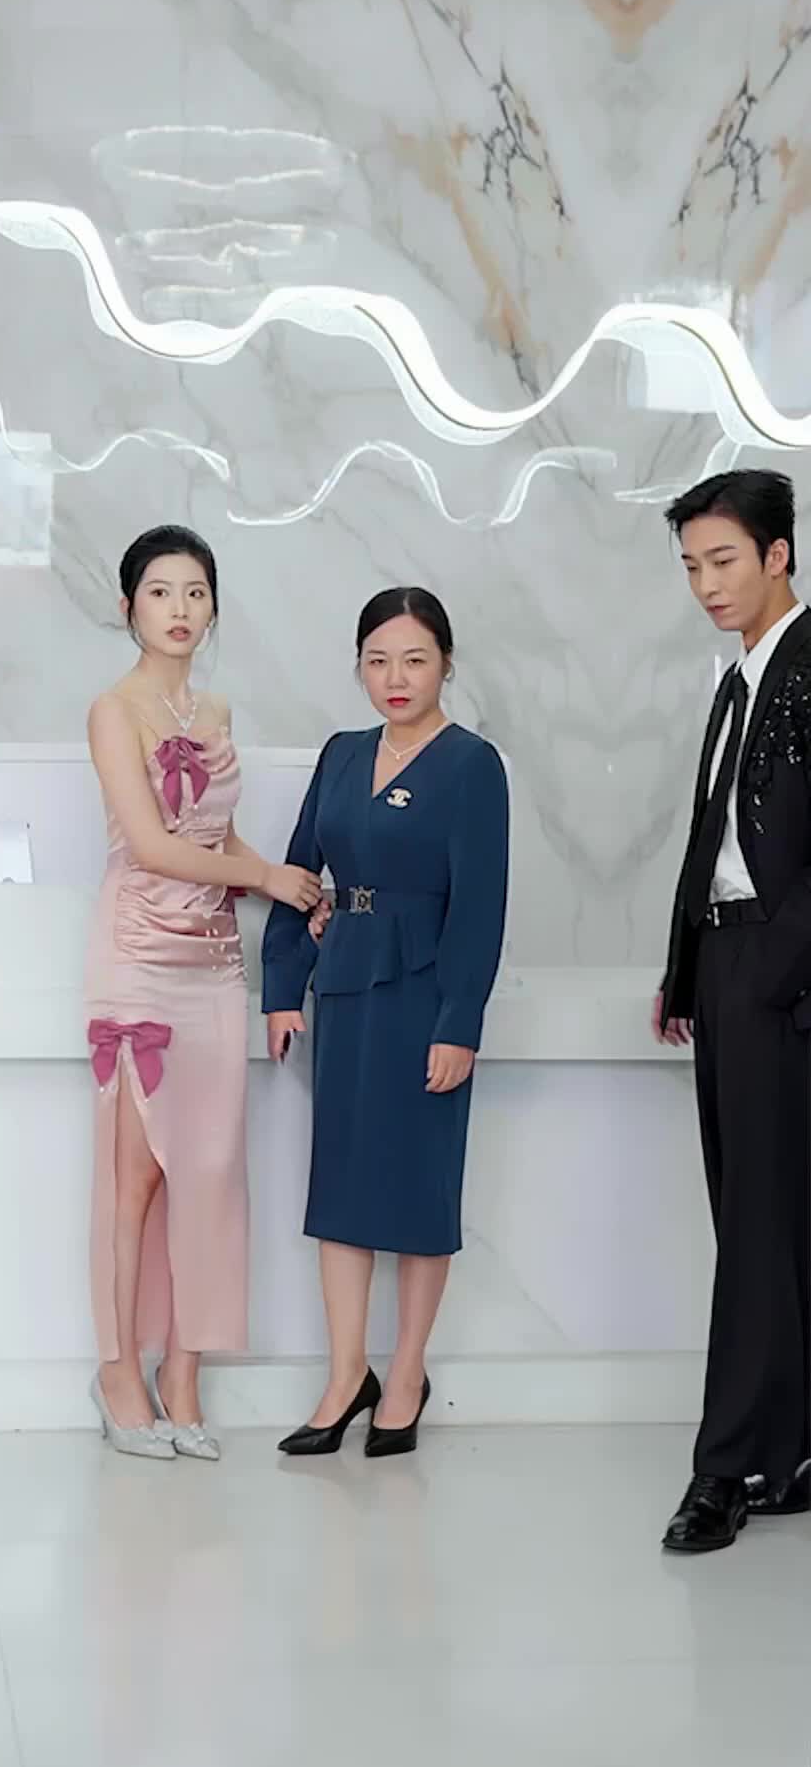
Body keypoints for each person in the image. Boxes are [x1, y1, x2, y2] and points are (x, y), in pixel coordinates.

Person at [85, 525, 322, 1460]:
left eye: (194, 593)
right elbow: (150, 845)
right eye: (159, 592)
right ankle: (118, 1373)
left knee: (211, 1171)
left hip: (216, 959)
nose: (178, 609)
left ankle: (183, 1374)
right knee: (137, 1175)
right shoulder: (113, 710)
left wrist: (281, 880)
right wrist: (263, 878)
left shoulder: (215, 711)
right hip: (138, 958)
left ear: (214, 607)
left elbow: (217, 842)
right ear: (128, 607)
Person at [262, 587, 509, 1458]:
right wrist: (283, 986)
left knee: (417, 1190)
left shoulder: (473, 765)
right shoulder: (340, 754)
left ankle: (405, 1375)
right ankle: (345, 1377)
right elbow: (301, 873)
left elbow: (480, 908)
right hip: (346, 989)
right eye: (377, 660)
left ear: (446, 664)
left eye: (414, 659)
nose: (395, 677)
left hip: (424, 997)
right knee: (341, 1190)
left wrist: (459, 1023)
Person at [656, 469, 811, 1552]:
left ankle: (729, 1468)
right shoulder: (739, 678)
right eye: (691, 567)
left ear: (778, 555)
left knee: (759, 1224)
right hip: (727, 966)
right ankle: (790, 1448)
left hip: (775, 971)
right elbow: (713, 834)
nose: (706, 584)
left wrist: (769, 972)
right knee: (764, 1216)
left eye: (723, 561)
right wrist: (686, 972)